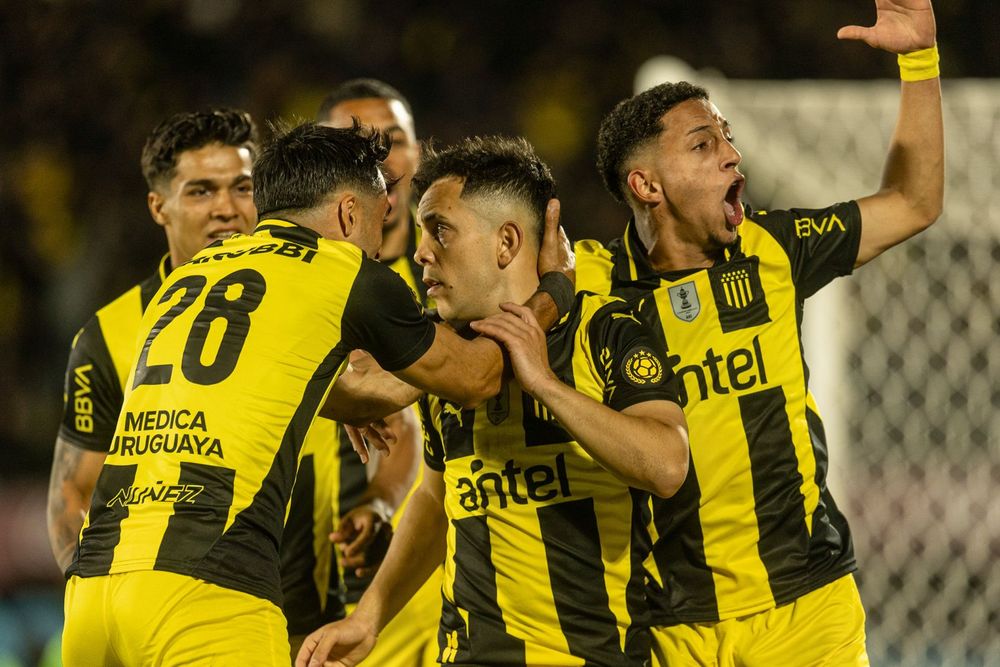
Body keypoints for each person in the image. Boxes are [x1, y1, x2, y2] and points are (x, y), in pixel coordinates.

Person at [61, 122, 575, 665]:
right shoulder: (344, 270)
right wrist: (553, 292)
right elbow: (476, 378)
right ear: (350, 214)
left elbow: (251, 378)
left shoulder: (191, 278)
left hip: (93, 590)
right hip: (206, 592)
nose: (380, 248)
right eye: (381, 224)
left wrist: (343, 396)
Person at [574, 1, 943, 665]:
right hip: (676, 625)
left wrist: (919, 61)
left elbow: (914, 202)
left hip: (808, 608)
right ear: (646, 184)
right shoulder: (594, 285)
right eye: (703, 144)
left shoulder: (773, 246)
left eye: (727, 135)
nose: (732, 154)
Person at [296, 136, 690, 667]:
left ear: (506, 243)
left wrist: (546, 385)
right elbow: (438, 499)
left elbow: (667, 465)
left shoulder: (604, 329)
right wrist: (369, 618)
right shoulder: (448, 362)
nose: (420, 251)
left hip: (595, 655)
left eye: (439, 229)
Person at [47, 108, 259, 574]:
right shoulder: (108, 334)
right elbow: (72, 494)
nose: (227, 208)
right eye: (202, 191)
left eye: (242, 187)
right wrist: (93, 589)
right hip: (165, 607)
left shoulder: (311, 305)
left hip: (317, 613)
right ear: (158, 206)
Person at [302, 78, 440, 665]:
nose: (381, 155)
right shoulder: (303, 286)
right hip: (336, 579)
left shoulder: (463, 272)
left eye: (395, 139)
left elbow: (407, 425)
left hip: (458, 577)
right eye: (357, 140)